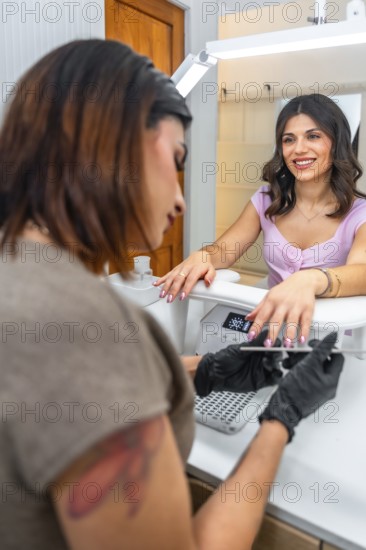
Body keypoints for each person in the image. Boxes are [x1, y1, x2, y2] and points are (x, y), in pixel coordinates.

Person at [0, 40, 343, 550]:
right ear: (110, 150)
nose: (181, 199)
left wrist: (201, 370)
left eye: (313, 136)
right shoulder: (85, 326)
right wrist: (280, 420)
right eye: (176, 161)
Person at [156, 94, 366, 346]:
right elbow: (224, 250)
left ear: (337, 143)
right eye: (289, 139)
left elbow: (361, 272)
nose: (299, 149)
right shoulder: (267, 200)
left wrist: (311, 279)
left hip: (334, 339)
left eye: (313, 136)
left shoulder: (360, 212)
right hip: (273, 329)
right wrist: (204, 256)